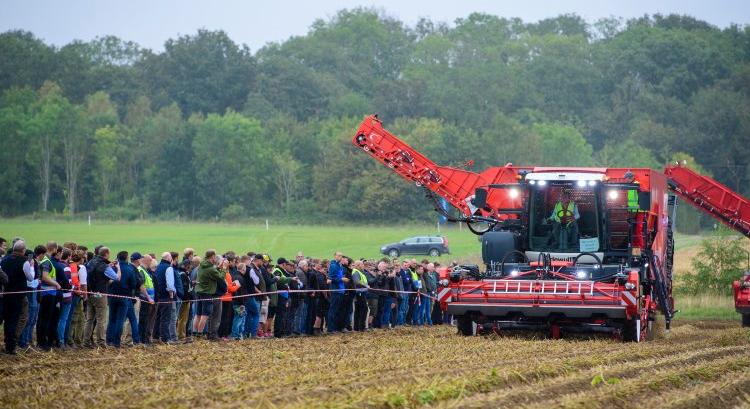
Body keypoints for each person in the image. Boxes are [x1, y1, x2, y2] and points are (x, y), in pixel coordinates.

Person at [1, 240, 35, 354]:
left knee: (6, 320)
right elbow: (30, 278)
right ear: (23, 250)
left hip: (5, 294)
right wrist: (31, 266)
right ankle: (11, 345)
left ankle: (7, 343)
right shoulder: (24, 261)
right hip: (19, 295)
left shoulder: (4, 259)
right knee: (15, 320)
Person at [84, 246, 121, 348]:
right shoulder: (104, 266)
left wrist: (109, 265)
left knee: (89, 319)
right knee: (101, 319)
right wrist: (118, 268)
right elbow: (117, 278)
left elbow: (97, 271)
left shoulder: (90, 262)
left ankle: (86, 341)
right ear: (106, 254)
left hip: (90, 292)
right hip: (100, 295)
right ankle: (101, 342)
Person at [107, 251, 139, 348]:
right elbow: (134, 284)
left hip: (112, 296)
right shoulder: (130, 269)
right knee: (120, 320)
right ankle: (117, 342)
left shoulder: (112, 267)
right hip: (125, 297)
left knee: (112, 319)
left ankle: (109, 340)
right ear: (127, 258)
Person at [37, 242, 63, 350]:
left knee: (43, 318)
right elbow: (45, 277)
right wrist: (56, 284)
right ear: (54, 249)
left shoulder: (44, 260)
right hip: (48, 293)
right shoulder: (47, 261)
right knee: (45, 318)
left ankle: (41, 341)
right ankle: (43, 343)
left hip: (45, 293)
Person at [193, 250, 223, 338]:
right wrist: (224, 269)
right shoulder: (210, 268)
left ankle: (194, 333)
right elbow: (220, 277)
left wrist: (217, 268)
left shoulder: (202, 265)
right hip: (207, 293)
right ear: (212, 256)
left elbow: (210, 272)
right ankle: (200, 334)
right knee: (205, 315)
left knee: (198, 314)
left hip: (199, 292)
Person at [155, 252, 178, 344]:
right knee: (166, 318)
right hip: (166, 296)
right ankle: (165, 338)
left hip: (158, 296)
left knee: (158, 317)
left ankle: (156, 337)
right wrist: (172, 294)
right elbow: (170, 284)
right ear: (169, 258)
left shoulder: (158, 267)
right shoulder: (168, 268)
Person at [134, 253, 156, 345]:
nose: (152, 262)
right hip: (145, 299)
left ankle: (145, 339)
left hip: (148, 299)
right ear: (146, 260)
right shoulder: (141, 271)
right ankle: (143, 340)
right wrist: (148, 297)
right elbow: (141, 286)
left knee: (146, 320)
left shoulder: (145, 271)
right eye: (150, 260)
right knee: (144, 320)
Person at [56, 248, 74, 348]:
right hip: (66, 296)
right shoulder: (66, 268)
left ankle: (57, 339)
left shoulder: (58, 265)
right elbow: (69, 283)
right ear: (68, 257)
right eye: (70, 256)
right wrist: (73, 288)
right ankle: (61, 340)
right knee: (63, 319)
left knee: (57, 318)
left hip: (57, 295)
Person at [242, 255, 263, 339]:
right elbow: (257, 281)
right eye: (249, 260)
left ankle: (245, 333)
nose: (250, 262)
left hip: (243, 295)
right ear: (246, 260)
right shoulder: (250, 270)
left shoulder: (239, 270)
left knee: (247, 314)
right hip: (250, 295)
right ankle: (253, 334)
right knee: (256, 314)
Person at [351, 260, 369, 331]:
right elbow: (357, 282)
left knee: (358, 310)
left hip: (361, 293)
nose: (363, 266)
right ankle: (361, 326)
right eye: (362, 265)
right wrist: (366, 286)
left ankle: (357, 327)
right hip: (359, 293)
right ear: (358, 265)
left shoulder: (359, 272)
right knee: (364, 309)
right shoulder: (355, 272)